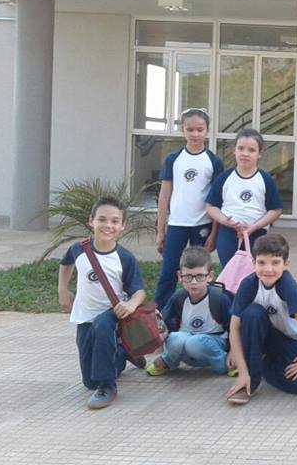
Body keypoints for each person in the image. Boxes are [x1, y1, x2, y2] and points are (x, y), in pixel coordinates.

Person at [57, 196, 147, 410]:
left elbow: (139, 291)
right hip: (85, 315)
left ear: (123, 225)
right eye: (102, 219)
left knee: (102, 326)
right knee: (89, 381)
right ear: (91, 221)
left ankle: (107, 386)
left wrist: (130, 305)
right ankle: (123, 352)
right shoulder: (79, 249)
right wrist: (62, 289)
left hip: (112, 314)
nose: (108, 225)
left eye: (115, 221)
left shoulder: (124, 258)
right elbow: (66, 263)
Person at [225, 234, 297, 404]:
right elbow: (234, 327)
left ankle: (264, 365)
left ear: (286, 264)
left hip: (287, 340)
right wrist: (242, 371)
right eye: (262, 263)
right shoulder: (248, 285)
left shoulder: (287, 285)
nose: (268, 269)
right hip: (257, 334)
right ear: (253, 263)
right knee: (253, 313)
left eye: (275, 263)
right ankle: (248, 382)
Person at [154, 108, 224, 308]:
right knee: (169, 270)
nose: (195, 134)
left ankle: (199, 310)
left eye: (200, 129)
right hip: (177, 223)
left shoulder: (214, 161)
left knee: (199, 272)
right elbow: (164, 196)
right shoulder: (173, 159)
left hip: (202, 224)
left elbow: (217, 201)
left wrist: (214, 233)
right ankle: (161, 313)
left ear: (207, 131)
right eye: (190, 129)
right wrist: (161, 231)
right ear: (182, 130)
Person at [146, 246, 231, 376]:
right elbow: (163, 324)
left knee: (194, 342)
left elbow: (234, 328)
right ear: (180, 276)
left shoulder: (219, 298)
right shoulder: (179, 298)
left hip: (212, 346)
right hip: (185, 350)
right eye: (188, 277)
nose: (193, 282)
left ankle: (224, 364)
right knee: (176, 338)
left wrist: (233, 353)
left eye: (200, 276)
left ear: (210, 276)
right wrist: (158, 332)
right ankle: (168, 362)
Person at [205, 128, 283, 269]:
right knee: (229, 271)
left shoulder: (265, 179)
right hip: (229, 233)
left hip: (257, 233)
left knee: (253, 272)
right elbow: (211, 206)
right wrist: (225, 221)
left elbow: (276, 210)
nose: (245, 153)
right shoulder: (224, 178)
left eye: (251, 150)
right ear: (234, 150)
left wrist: (255, 226)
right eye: (241, 148)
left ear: (259, 154)